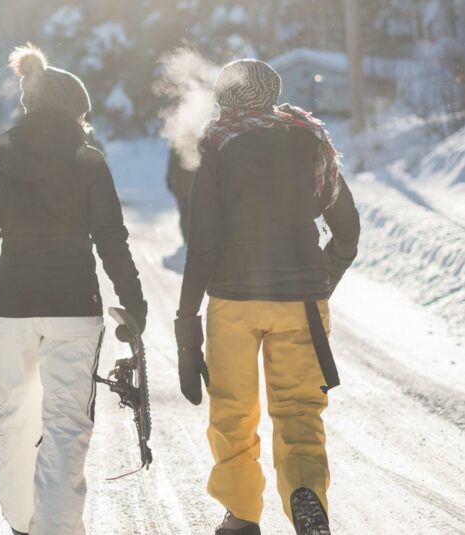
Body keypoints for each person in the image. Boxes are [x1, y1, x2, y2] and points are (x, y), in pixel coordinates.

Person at [0, 44, 146, 535]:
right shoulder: (89, 162)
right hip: (75, 309)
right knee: (65, 426)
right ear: (75, 111)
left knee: (15, 421)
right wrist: (134, 301)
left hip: (12, 310)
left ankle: (21, 525)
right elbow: (112, 242)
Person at [173, 59, 360, 535]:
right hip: (300, 300)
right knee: (299, 409)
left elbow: (204, 242)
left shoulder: (217, 143)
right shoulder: (311, 139)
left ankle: (240, 515)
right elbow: (347, 230)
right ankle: (305, 494)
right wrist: (321, 278)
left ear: (225, 97)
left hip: (233, 302)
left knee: (233, 409)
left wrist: (186, 321)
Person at [165, 148, 194, 242]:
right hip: (194, 184)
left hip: (180, 184)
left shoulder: (177, 140)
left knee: (184, 214)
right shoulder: (200, 139)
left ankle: (187, 240)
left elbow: (172, 163)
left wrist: (169, 180)